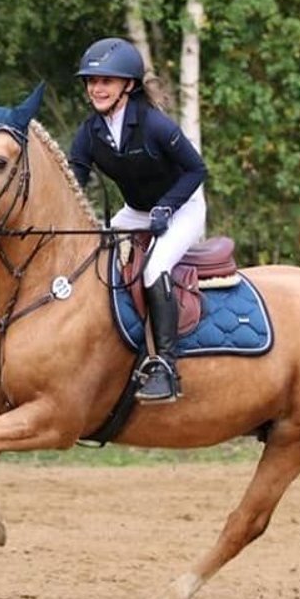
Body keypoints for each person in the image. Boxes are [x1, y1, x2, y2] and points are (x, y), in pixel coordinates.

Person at [68, 36, 208, 402]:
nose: (97, 88)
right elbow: (74, 182)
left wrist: (167, 208)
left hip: (183, 206)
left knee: (153, 268)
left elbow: (196, 170)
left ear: (127, 85)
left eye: (106, 81)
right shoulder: (90, 133)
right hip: (135, 211)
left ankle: (164, 365)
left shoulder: (155, 125)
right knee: (92, 257)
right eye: (92, 82)